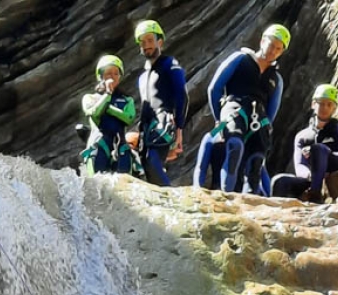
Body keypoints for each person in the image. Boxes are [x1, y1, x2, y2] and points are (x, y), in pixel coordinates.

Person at [197, 23, 291, 194]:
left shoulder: (276, 78)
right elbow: (215, 88)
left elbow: (272, 110)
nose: (272, 51)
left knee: (256, 160)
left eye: (278, 49)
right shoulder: (240, 59)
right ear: (263, 41)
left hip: (259, 117)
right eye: (271, 45)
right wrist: (219, 120)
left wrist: (265, 128)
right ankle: (227, 195)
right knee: (235, 144)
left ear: (282, 52)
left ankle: (251, 202)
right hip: (234, 106)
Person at [271, 84, 338, 201]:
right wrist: (309, 175)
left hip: (333, 174)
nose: (325, 107)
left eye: (329, 104)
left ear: (334, 108)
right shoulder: (302, 136)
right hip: (310, 179)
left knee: (318, 149)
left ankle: (315, 196)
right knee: (279, 181)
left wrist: (326, 155)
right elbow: (300, 164)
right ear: (313, 104)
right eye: (321, 103)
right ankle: (277, 212)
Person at [134, 19, 189, 187]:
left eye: (150, 40)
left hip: (164, 121)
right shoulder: (143, 77)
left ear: (160, 42)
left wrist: (179, 128)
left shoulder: (169, 64)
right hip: (147, 126)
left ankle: (172, 201)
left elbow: (182, 94)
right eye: (142, 42)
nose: (146, 45)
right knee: (146, 166)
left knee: (152, 162)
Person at [81, 55, 137, 175]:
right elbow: (94, 113)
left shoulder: (127, 100)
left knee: (125, 186)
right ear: (100, 76)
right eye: (108, 73)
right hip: (98, 145)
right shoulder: (90, 98)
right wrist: (107, 94)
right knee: (96, 185)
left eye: (116, 73)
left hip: (121, 147)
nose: (112, 76)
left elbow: (129, 118)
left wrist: (109, 109)